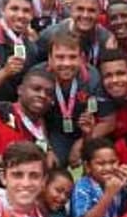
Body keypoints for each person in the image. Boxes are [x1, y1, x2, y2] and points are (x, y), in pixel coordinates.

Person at [30, 30, 113, 167]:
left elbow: (109, 121)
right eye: (60, 57)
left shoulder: (93, 78)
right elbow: (34, 118)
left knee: (98, 164)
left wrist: (81, 142)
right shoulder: (37, 76)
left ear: (81, 58)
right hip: (53, 133)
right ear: (49, 59)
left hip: (88, 131)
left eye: (72, 57)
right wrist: (47, 148)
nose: (66, 63)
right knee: (49, 165)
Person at [69, 137, 127, 217]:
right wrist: (109, 194)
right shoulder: (82, 186)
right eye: (101, 164)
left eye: (113, 162)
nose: (108, 168)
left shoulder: (119, 182)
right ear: (88, 166)